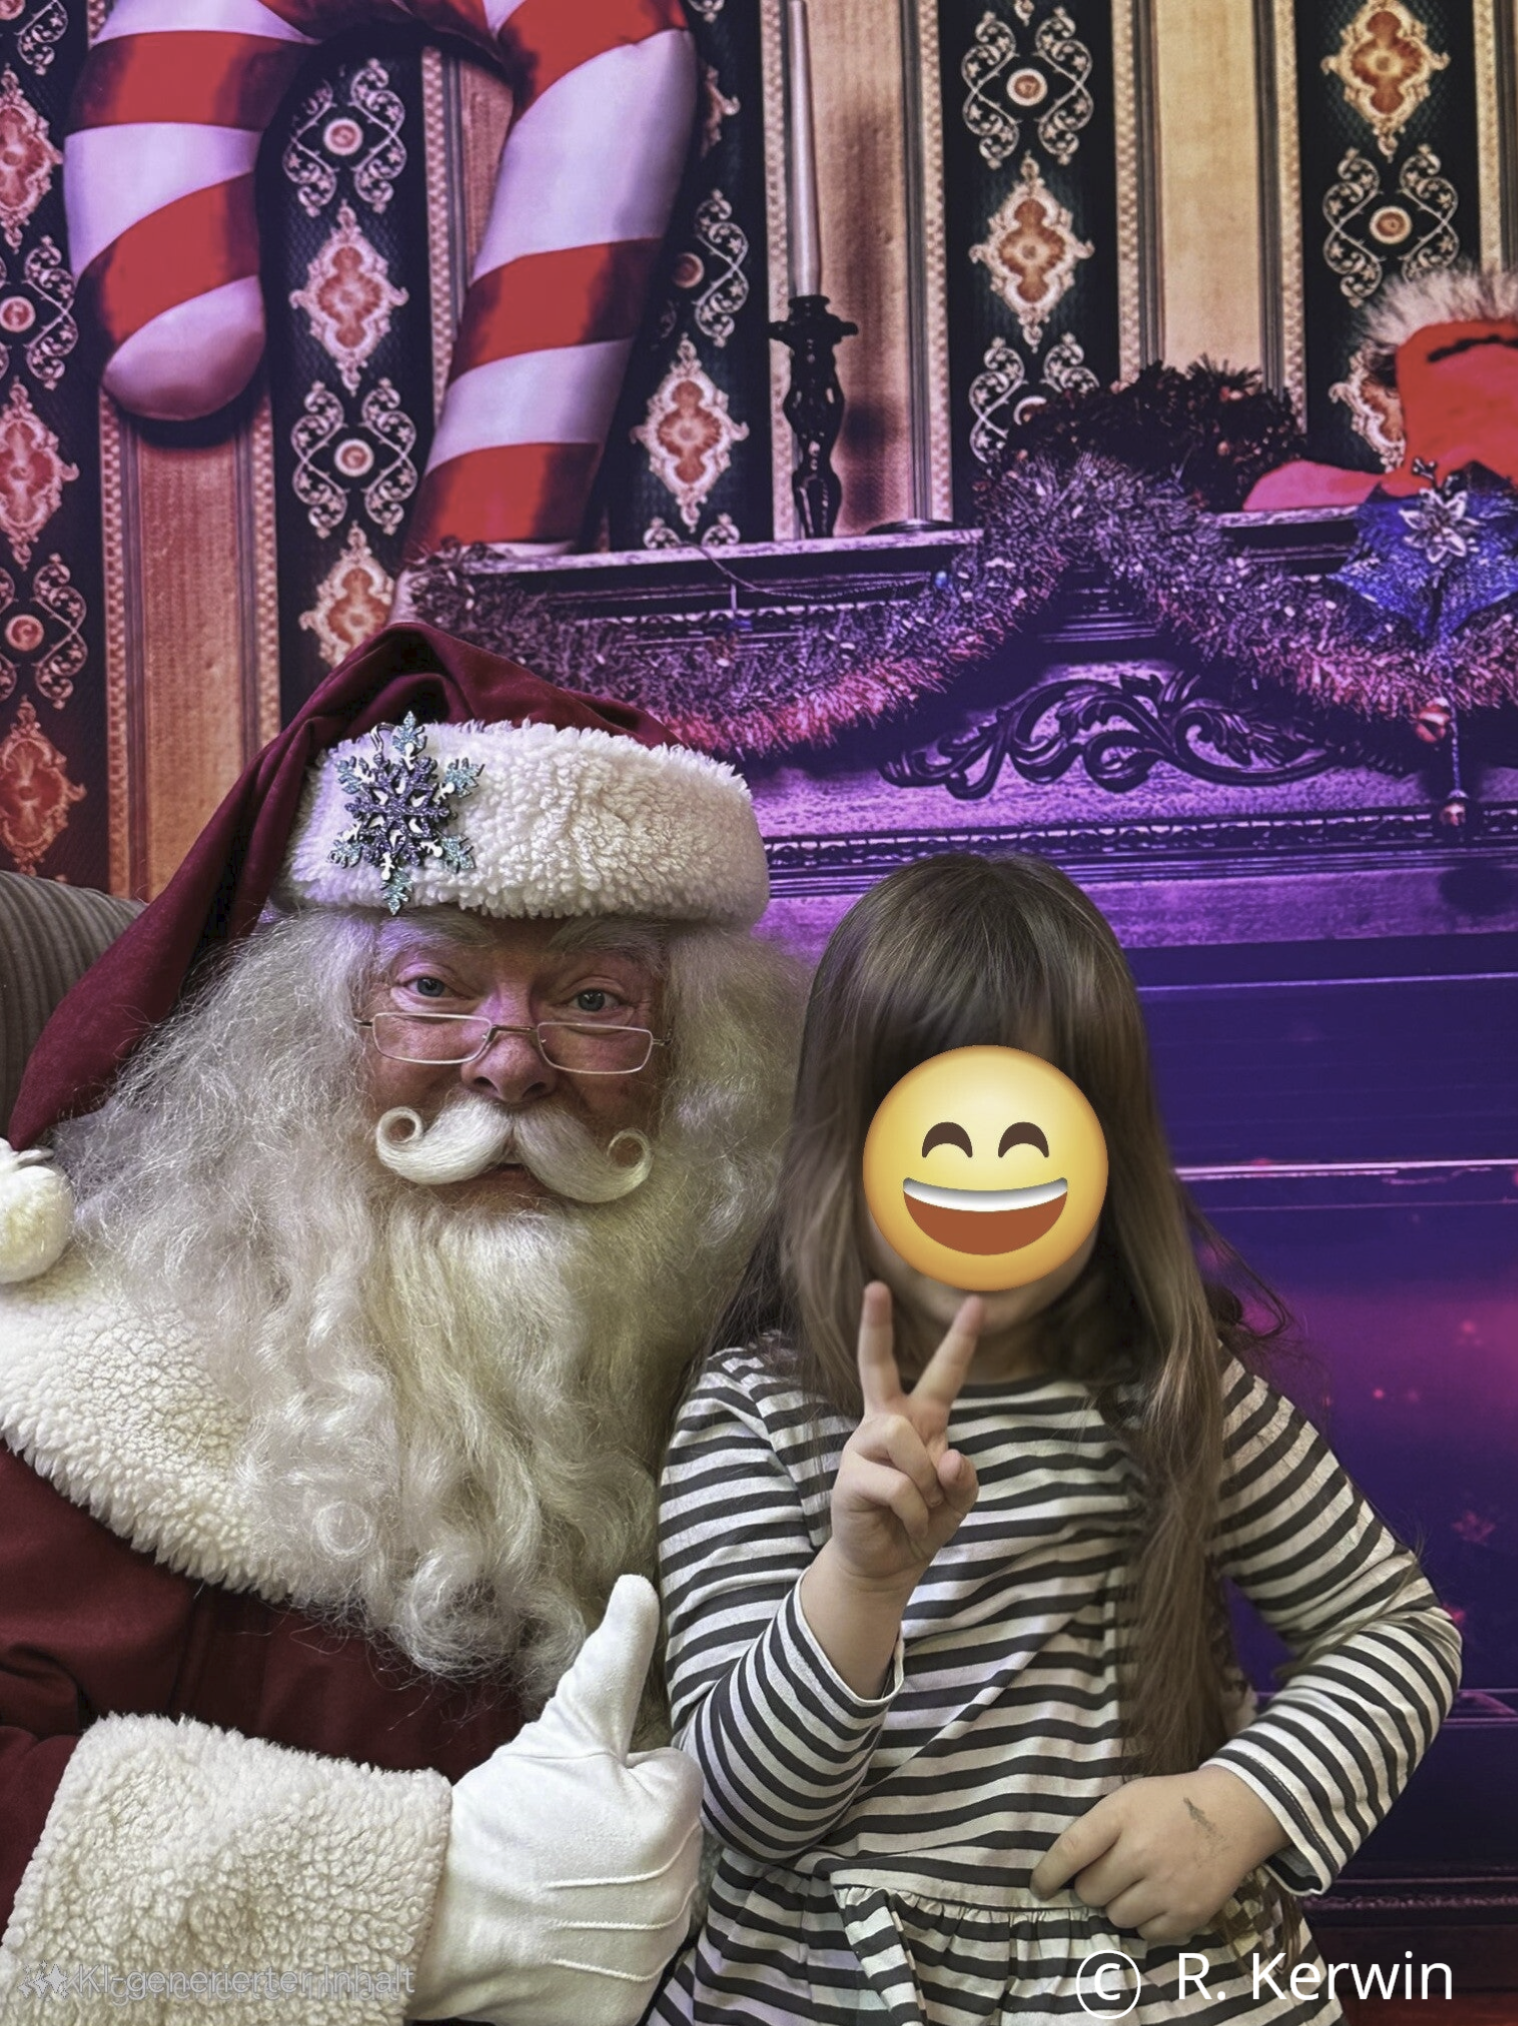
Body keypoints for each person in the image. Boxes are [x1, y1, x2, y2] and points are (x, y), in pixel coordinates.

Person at [0, 623, 803, 2025]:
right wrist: (436, 1903)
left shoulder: (765, 1364)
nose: (510, 1063)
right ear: (313, 1038)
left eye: (596, 1001)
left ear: (695, 1064)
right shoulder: (93, 1361)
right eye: (433, 985)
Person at [652, 853, 1462, 2026]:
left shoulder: (1182, 1393)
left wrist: (1237, 1806)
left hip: (1151, 1978)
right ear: (847, 1143)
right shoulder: (753, 1410)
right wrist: (860, 1579)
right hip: (832, 1980)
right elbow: (744, 1806)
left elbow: (1395, 1630)